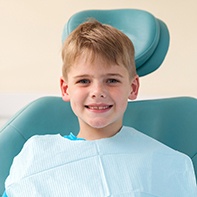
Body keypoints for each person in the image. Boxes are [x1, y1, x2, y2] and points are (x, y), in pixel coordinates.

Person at [2, 20, 197, 196]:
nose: (97, 91)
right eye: (84, 81)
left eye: (112, 80)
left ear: (133, 87)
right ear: (65, 88)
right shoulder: (36, 156)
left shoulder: (169, 164)